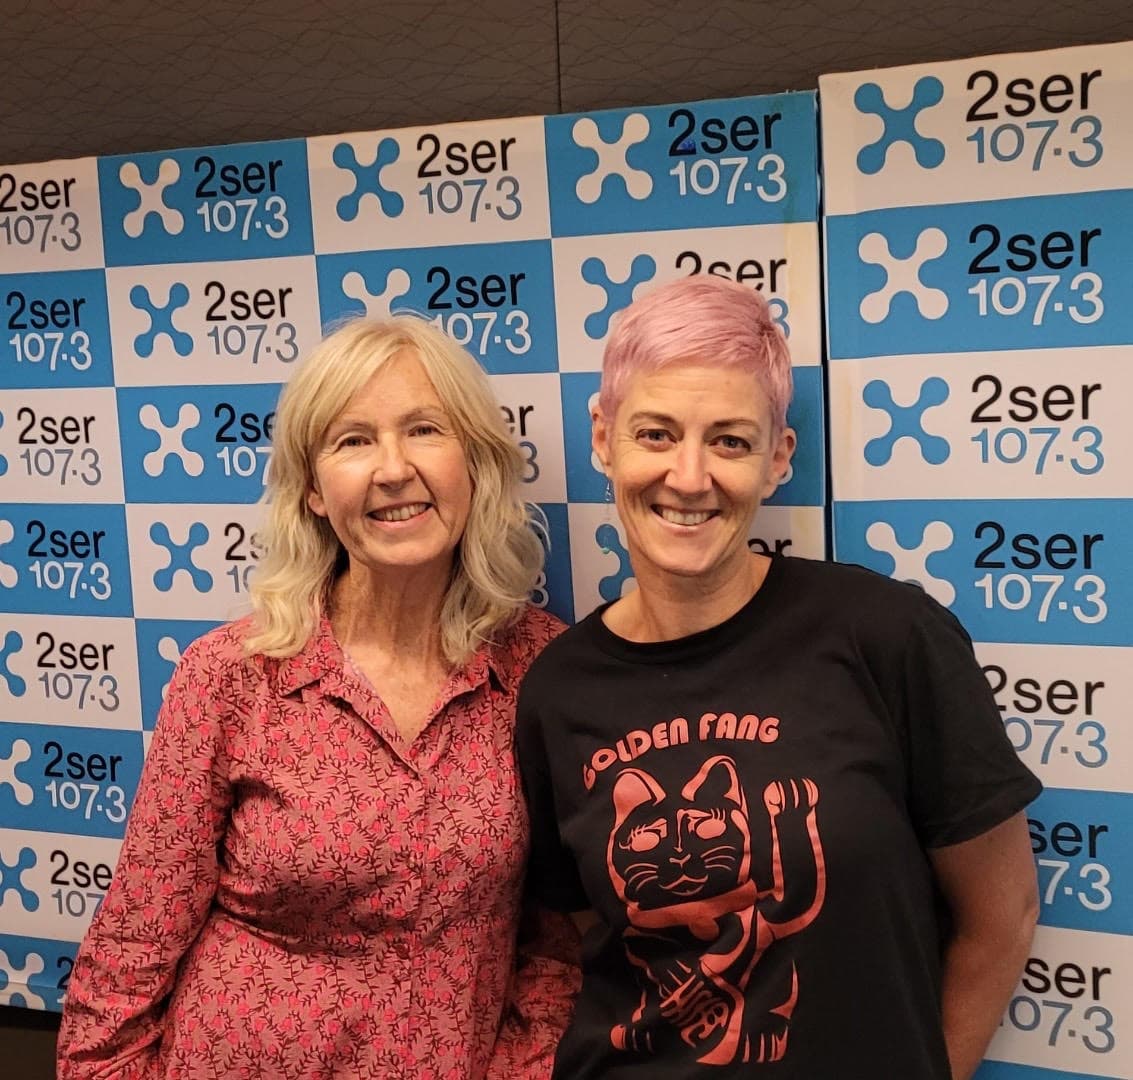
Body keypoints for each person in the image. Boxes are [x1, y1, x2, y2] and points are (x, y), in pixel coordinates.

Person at [515, 275, 1041, 1080]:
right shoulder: (557, 687)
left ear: (777, 458)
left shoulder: (884, 635)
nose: (688, 476)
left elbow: (1001, 918)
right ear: (603, 439)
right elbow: (597, 931)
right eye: (655, 434)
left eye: (729, 441)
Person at [57, 316, 578, 1079]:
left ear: (475, 460)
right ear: (311, 489)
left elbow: (556, 946)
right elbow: (132, 946)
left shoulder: (541, 669)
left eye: (424, 429)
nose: (392, 468)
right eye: (352, 440)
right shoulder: (231, 675)